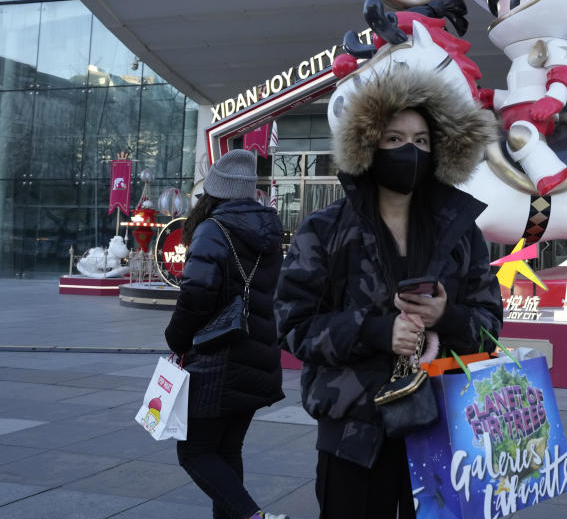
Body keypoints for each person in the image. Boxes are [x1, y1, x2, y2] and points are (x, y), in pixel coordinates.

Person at [274, 69, 503, 518]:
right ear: (369, 145)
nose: (410, 151)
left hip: (447, 431)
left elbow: (489, 327)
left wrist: (446, 316)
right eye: (394, 139)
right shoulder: (326, 230)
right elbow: (292, 324)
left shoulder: (460, 232)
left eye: (420, 141)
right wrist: (376, 331)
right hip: (354, 434)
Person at [164, 148, 288, 519]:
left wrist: (176, 338)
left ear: (214, 191)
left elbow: (197, 294)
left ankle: (254, 516)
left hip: (217, 361)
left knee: (195, 452)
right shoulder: (268, 230)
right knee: (228, 450)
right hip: (257, 357)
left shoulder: (213, 229)